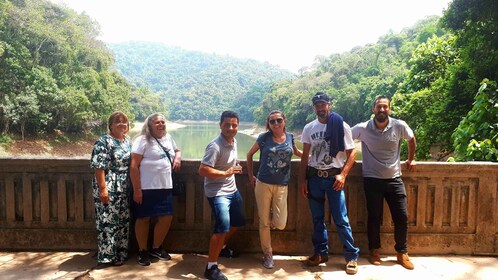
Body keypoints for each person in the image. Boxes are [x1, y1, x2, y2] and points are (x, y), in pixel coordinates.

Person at [351, 96, 416, 270]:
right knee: (373, 217)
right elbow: (345, 138)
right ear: (373, 109)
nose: (382, 110)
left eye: (385, 107)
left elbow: (411, 139)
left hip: (394, 179)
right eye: (379, 107)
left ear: (389, 109)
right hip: (372, 179)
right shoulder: (363, 128)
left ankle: (402, 252)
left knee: (401, 217)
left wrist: (411, 159)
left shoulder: (399, 125)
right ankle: (374, 251)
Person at [299, 92, 360, 275]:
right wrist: (303, 180)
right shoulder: (309, 127)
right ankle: (320, 253)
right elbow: (304, 156)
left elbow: (353, 153)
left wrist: (343, 175)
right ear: (314, 107)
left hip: (334, 178)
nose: (320, 107)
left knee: (341, 219)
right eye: (317, 104)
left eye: (323, 104)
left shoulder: (341, 125)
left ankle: (351, 257)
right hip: (315, 178)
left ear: (329, 105)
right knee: (317, 220)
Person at [246, 110, 302, 269]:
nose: (276, 124)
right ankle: (268, 254)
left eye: (278, 120)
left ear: (284, 121)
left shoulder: (290, 137)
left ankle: (270, 216)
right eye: (272, 122)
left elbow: (297, 153)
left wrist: (313, 158)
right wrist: (251, 177)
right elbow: (249, 155)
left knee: (280, 223)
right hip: (263, 184)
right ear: (268, 124)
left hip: (282, 185)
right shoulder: (263, 138)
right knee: (263, 222)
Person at [198, 111, 246, 280]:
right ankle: (211, 267)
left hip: (232, 190)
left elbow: (231, 162)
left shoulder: (234, 141)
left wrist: (235, 165)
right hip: (218, 193)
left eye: (234, 125)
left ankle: (222, 247)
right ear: (220, 125)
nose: (231, 128)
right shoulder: (214, 146)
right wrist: (225, 173)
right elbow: (202, 169)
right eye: (227, 125)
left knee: (238, 222)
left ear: (238, 126)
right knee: (222, 227)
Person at [130, 113, 181, 266]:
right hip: (146, 187)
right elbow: (134, 166)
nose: (161, 125)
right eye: (157, 122)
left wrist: (177, 157)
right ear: (149, 125)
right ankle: (142, 251)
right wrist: (137, 189)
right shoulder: (142, 140)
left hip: (165, 186)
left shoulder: (168, 138)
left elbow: (177, 150)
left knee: (166, 217)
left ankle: (156, 248)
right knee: (143, 218)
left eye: (163, 122)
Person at [89, 111, 132, 266]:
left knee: (122, 220)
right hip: (109, 183)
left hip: (124, 185)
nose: (122, 124)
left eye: (124, 122)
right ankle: (107, 256)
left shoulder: (128, 141)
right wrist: (103, 189)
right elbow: (98, 167)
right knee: (107, 220)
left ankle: (121, 253)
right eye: (118, 121)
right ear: (110, 125)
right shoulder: (104, 141)